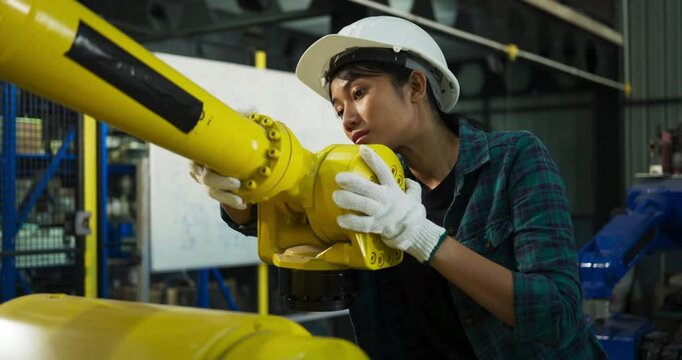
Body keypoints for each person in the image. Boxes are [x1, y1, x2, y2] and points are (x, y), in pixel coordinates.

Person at [190, 16, 606, 359]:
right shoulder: (365, 181)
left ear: (416, 87)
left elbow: (557, 313)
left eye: (359, 93)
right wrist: (237, 183)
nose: (347, 118)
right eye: (338, 108)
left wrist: (423, 237)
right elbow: (285, 210)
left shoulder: (513, 160)